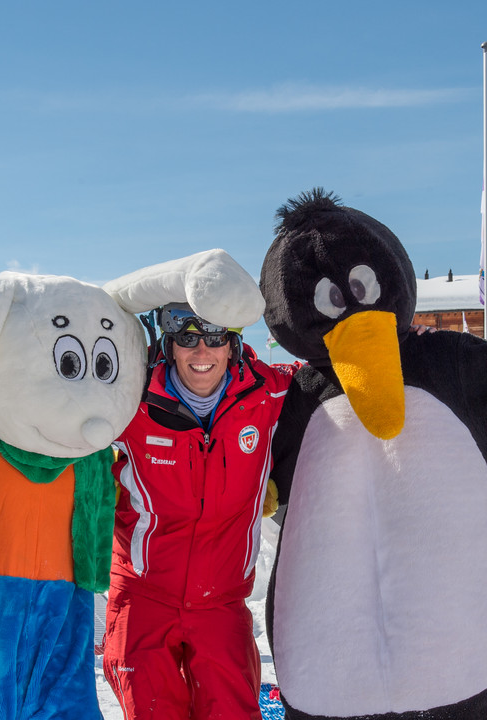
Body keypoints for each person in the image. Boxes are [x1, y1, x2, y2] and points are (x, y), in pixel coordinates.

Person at [103, 302, 293, 720]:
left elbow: (329, 373)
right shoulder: (127, 399)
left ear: (233, 345)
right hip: (143, 596)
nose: (201, 351)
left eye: (214, 338)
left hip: (222, 604)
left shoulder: (271, 394)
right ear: (171, 345)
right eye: (188, 339)